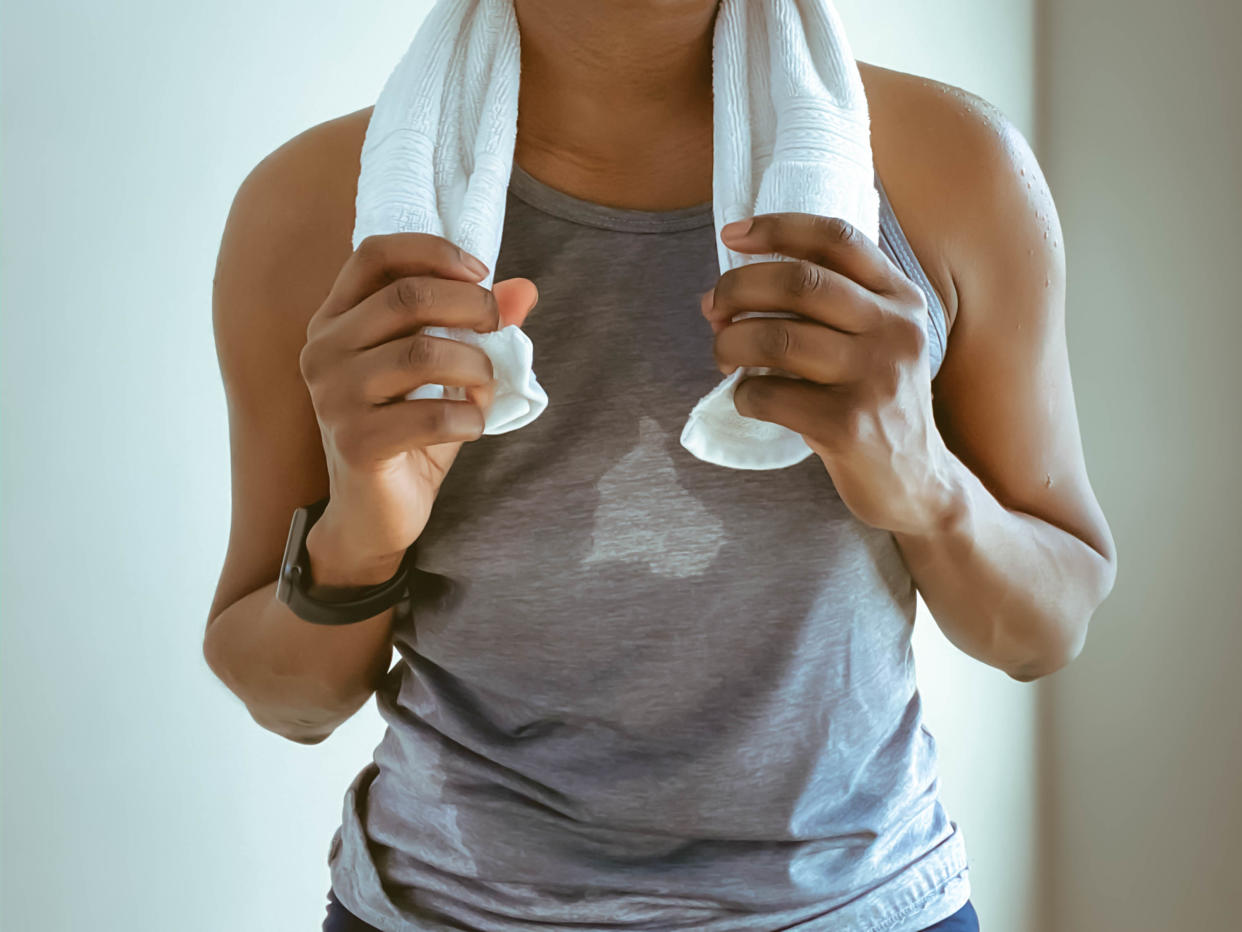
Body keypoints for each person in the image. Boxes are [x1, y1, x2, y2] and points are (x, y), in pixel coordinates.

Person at [203, 2, 1116, 930]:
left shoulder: (953, 172)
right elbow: (291, 702)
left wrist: (926, 485)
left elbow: (1043, 633)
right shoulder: (316, 214)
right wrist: (361, 537)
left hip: (862, 907)